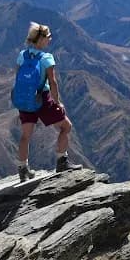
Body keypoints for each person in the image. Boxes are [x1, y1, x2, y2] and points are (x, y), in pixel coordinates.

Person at [14, 22, 81, 181]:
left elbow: (17, 77)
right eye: (48, 37)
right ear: (41, 39)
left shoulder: (22, 55)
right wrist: (57, 103)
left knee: (25, 135)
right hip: (42, 98)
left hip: (25, 99)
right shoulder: (46, 58)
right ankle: (62, 162)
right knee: (66, 127)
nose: (50, 39)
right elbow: (53, 82)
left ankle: (23, 170)